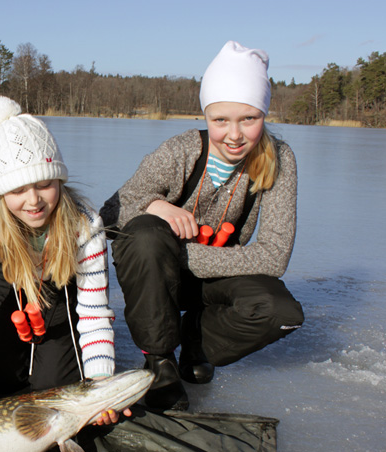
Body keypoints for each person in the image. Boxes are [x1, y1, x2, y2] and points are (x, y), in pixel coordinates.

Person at [100, 41, 304, 411]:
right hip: (155, 281)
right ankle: (159, 362)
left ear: (264, 114)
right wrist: (155, 205)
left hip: (212, 276)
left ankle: (194, 342)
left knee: (280, 312)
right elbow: (109, 216)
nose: (234, 134)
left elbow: (273, 258)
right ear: (206, 116)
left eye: (249, 119)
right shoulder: (179, 152)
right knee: (145, 235)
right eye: (220, 120)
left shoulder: (280, 160)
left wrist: (178, 255)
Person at [0, 96, 125, 425]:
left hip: (61, 291)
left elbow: (94, 317)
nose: (33, 201)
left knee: (54, 392)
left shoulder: (86, 225)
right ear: (1, 193)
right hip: (11, 291)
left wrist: (101, 390)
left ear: (58, 180)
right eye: (18, 190)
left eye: (44, 185)